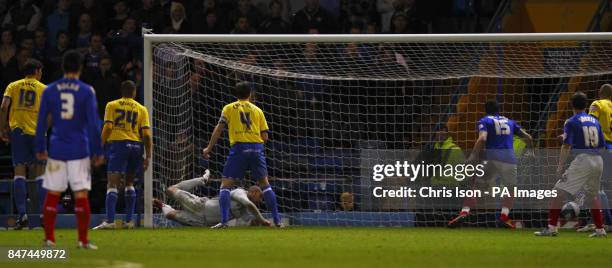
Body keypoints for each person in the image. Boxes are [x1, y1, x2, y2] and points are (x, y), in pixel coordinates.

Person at [35, 50, 104, 249]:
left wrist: (40, 146)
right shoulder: (86, 91)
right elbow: (93, 125)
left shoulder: (49, 90)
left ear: (62, 67)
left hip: (57, 149)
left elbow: (41, 122)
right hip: (79, 150)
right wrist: (98, 151)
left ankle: (49, 239)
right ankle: (82, 241)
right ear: (80, 68)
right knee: (81, 194)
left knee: (53, 194)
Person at [202, 81, 281, 228]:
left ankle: (224, 222)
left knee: (225, 185)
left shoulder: (229, 108)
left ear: (236, 94)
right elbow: (265, 137)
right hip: (257, 149)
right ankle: (277, 221)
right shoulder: (258, 110)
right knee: (265, 185)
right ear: (250, 94)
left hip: (239, 148)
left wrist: (208, 148)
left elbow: (219, 129)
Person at [448, 100, 533, 228]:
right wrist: (531, 152)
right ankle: (504, 216)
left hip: (491, 159)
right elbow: (529, 137)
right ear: (499, 110)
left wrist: (473, 155)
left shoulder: (485, 121)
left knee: (476, 186)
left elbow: (482, 138)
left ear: (485, 110)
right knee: (511, 189)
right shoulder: (510, 122)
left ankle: (464, 212)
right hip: (509, 160)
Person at [535, 92, 607, 238]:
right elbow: (602, 146)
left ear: (571, 105)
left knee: (557, 191)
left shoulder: (571, 121)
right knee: (592, 195)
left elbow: (566, 146)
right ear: (586, 105)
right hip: (598, 160)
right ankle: (600, 230)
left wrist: (560, 166)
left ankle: (551, 228)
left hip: (583, 160)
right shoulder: (595, 121)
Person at [93, 81, 151, 230]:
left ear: (121, 91)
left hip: (119, 144)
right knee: (129, 183)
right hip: (136, 146)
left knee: (112, 184)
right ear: (134, 92)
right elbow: (146, 134)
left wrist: (100, 146)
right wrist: (148, 155)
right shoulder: (141, 109)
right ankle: (129, 221)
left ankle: (110, 220)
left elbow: (108, 127)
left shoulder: (112, 105)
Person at [0, 59, 46, 229]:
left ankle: (22, 215)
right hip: (37, 134)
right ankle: (42, 217)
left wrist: (2, 128)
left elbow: (4, 107)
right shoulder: (45, 89)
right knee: (40, 175)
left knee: (19, 172)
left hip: (18, 132)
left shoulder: (13, 86)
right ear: (37, 71)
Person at [154, 169, 271, 227]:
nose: (260, 201)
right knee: (170, 190)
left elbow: (249, 222)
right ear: (254, 192)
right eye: (260, 197)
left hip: (203, 222)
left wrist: (263, 223)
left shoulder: (244, 211)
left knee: (170, 215)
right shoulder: (240, 192)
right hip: (200, 206)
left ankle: (162, 205)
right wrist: (262, 219)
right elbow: (249, 204)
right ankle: (201, 180)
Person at [589, 83, 612, 226]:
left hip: (602, 147)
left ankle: (606, 222)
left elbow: (591, 124)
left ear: (599, 92)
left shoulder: (597, 104)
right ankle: (596, 220)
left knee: (597, 187)